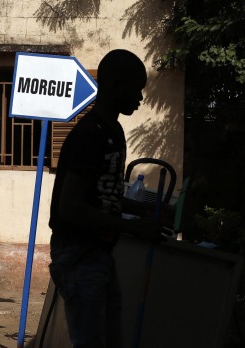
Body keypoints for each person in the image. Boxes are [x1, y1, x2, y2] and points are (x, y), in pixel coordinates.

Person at [48, 49, 164, 347]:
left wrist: (140, 209)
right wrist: (134, 228)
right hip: (78, 254)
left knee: (111, 338)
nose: (140, 98)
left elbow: (104, 195)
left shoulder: (114, 130)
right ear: (115, 85)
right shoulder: (89, 135)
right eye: (136, 89)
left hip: (98, 252)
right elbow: (70, 207)